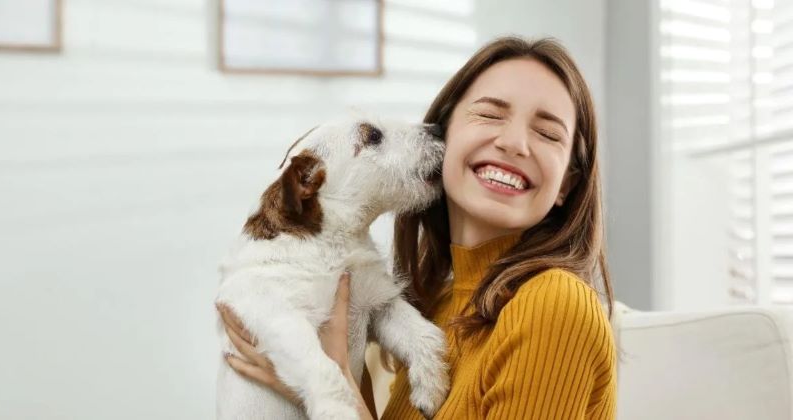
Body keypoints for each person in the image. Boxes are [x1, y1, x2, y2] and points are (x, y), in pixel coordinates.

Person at [218, 36, 617, 419]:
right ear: (444, 134)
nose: (514, 143)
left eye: (547, 133)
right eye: (490, 114)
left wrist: (333, 379)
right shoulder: (439, 304)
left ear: (566, 183)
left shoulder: (555, 305)